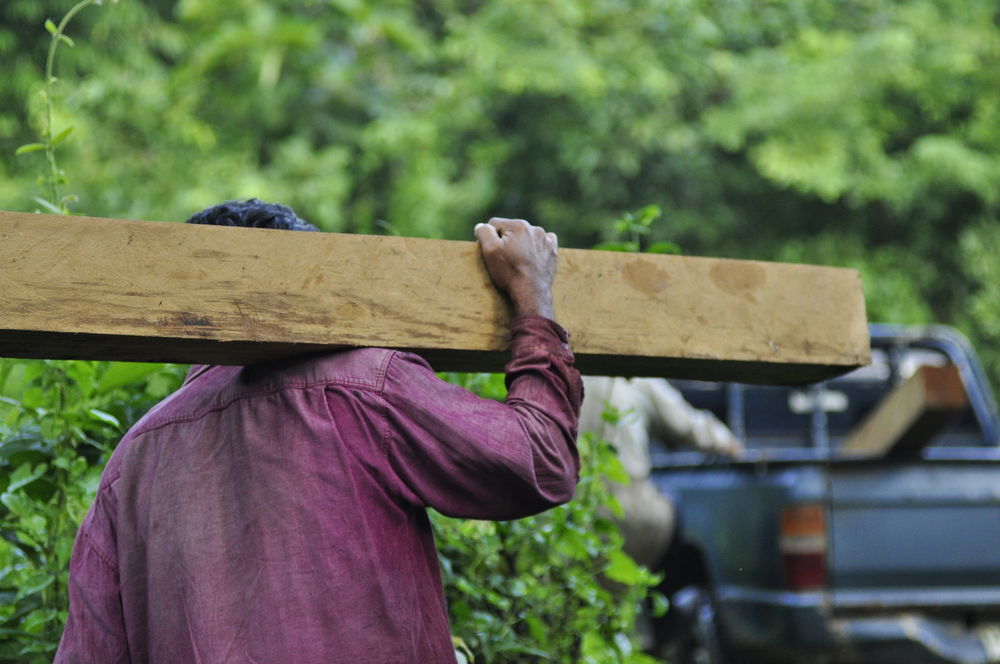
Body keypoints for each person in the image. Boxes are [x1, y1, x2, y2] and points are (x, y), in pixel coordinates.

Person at [54, 200, 583, 663]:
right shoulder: (369, 386)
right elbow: (540, 460)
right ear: (314, 288)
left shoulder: (133, 460)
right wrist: (534, 302)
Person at [579, 376, 741, 570]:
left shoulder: (556, 374)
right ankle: (662, 595)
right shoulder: (634, 377)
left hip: (564, 514)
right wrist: (728, 443)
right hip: (628, 512)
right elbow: (689, 426)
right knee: (668, 511)